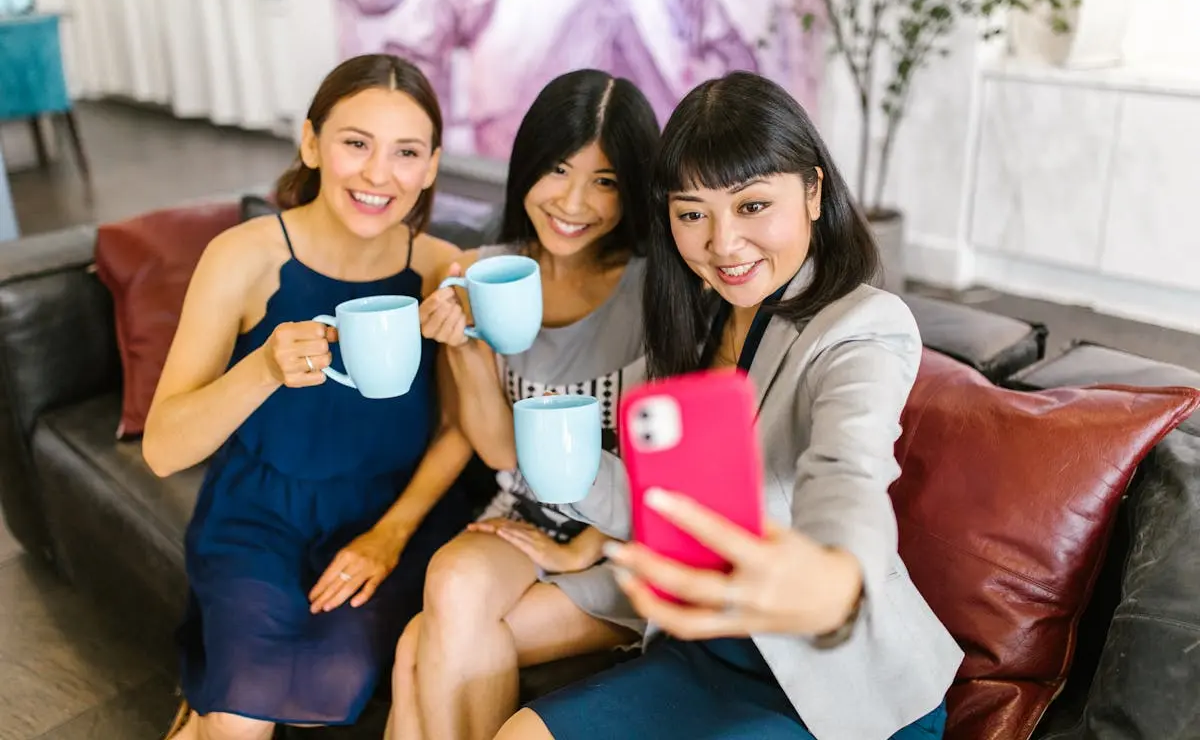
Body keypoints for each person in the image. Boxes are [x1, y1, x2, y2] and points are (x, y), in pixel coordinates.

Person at [495, 71, 964, 740]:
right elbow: (661, 512)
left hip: (833, 687)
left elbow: (849, 469)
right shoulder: (687, 332)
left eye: (751, 206)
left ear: (812, 191)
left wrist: (835, 578)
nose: (722, 243)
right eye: (692, 214)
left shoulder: (861, 326)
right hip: (701, 653)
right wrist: (563, 466)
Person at [144, 54, 476, 740]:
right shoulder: (243, 258)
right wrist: (262, 369)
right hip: (257, 513)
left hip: (386, 518)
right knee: (238, 722)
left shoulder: (445, 271)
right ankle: (211, 698)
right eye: (356, 143)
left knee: (313, 683)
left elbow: (458, 428)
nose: (379, 174)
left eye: (406, 152)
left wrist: (390, 535)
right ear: (311, 143)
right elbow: (162, 448)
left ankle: (202, 693)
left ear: (433, 166)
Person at [386, 68, 660, 740]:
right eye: (558, 170)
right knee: (449, 579)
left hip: (628, 537)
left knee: (419, 646)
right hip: (523, 513)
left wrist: (589, 545)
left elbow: (678, 460)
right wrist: (467, 348)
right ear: (526, 167)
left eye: (606, 182)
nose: (574, 202)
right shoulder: (482, 272)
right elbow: (501, 452)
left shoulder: (661, 290)